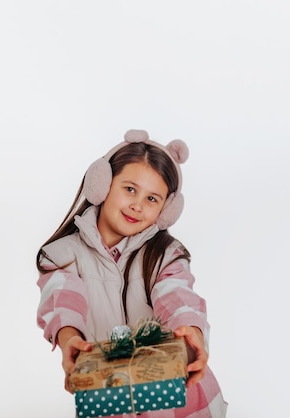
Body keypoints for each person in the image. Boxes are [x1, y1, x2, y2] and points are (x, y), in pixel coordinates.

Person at [36, 129, 228, 417]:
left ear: (166, 210)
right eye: (129, 189)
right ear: (101, 185)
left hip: (178, 399)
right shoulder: (62, 255)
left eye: (152, 199)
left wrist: (192, 331)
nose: (138, 205)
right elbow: (63, 300)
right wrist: (68, 338)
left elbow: (177, 295)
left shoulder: (166, 254)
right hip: (109, 392)